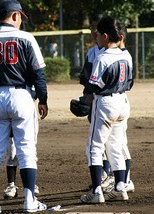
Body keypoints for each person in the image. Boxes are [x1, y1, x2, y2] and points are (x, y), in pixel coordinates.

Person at [0, 0, 48, 213]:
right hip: (21, 95)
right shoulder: (26, 37)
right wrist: (43, 99)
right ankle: (30, 200)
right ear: (14, 16)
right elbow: (38, 74)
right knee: (26, 149)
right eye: (21, 16)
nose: (21, 20)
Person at [80, 15, 133, 204]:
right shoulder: (126, 55)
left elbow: (94, 85)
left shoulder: (102, 57)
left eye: (98, 34)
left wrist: (85, 100)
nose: (96, 37)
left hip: (105, 103)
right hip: (122, 103)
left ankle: (97, 192)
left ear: (105, 35)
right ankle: (120, 187)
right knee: (116, 146)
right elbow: (130, 82)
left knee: (95, 147)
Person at [78, 14, 115, 192]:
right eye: (92, 27)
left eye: (97, 28)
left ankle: (109, 176)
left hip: (107, 100)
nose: (94, 31)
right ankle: (104, 176)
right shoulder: (92, 51)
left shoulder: (111, 50)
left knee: (107, 141)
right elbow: (86, 79)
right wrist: (85, 97)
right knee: (100, 139)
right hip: (96, 99)